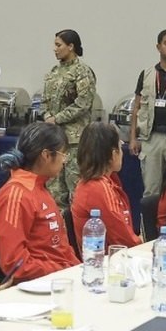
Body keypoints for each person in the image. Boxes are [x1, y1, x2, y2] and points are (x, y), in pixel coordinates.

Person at [0, 123, 80, 281]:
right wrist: (62, 270)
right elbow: (14, 264)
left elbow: (61, 248)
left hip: (60, 277)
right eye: (63, 155)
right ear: (46, 155)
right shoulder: (16, 195)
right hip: (40, 285)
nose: (64, 161)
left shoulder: (39, 187)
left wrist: (78, 269)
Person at [41, 29, 97, 209]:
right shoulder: (54, 71)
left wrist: (57, 118)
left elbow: (83, 103)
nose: (54, 49)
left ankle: (76, 234)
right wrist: (47, 116)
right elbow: (44, 100)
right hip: (55, 140)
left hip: (75, 141)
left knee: (76, 188)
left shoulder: (82, 71)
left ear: (71, 46)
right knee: (54, 190)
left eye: (58, 45)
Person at [129, 29, 166, 196]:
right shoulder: (147, 74)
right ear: (158, 47)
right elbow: (136, 107)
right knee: (151, 189)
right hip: (151, 138)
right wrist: (133, 138)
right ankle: (149, 223)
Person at [72, 122, 142, 251]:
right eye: (120, 147)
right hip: (105, 262)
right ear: (113, 154)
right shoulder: (98, 187)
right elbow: (122, 238)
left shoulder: (104, 181)